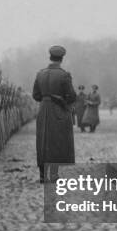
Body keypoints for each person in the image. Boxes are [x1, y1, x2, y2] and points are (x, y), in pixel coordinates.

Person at [32, 45, 76, 182]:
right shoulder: (64, 75)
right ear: (61, 58)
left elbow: (35, 95)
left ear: (50, 57)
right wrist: (63, 101)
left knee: (43, 141)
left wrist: (45, 99)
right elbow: (72, 96)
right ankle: (54, 174)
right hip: (58, 109)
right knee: (57, 141)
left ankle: (42, 175)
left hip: (43, 109)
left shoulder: (40, 74)